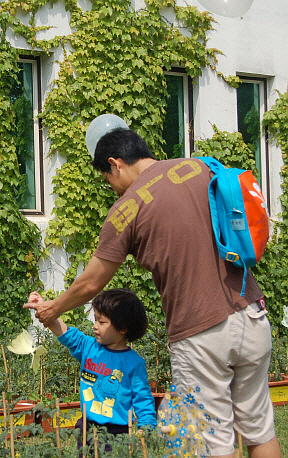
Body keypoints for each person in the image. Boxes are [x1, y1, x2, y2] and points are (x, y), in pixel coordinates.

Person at [24, 127, 281, 458]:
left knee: (213, 442)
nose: (113, 190)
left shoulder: (126, 211)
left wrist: (53, 309)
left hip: (202, 333)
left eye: (108, 180)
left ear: (115, 164)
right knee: (260, 431)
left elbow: (91, 283)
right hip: (252, 313)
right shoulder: (198, 167)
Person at [28, 288, 157, 455]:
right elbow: (65, 332)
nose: (95, 326)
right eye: (95, 320)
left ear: (123, 328)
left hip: (119, 434)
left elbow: (143, 399)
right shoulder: (88, 347)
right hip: (87, 427)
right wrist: (43, 307)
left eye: (101, 322)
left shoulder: (134, 363)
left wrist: (146, 428)